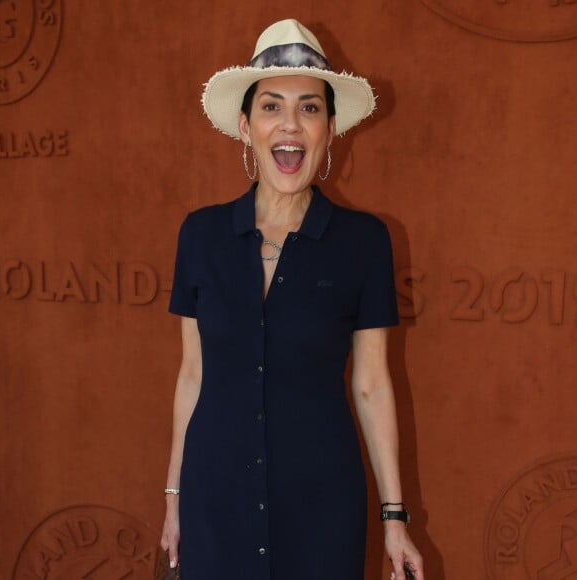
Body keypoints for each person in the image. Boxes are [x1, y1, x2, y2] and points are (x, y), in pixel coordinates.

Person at [160, 18, 424, 580]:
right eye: (271, 106)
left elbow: (372, 385)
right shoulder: (200, 235)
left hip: (322, 507)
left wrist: (394, 518)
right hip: (215, 502)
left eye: (309, 108)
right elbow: (192, 374)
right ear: (245, 126)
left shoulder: (364, 242)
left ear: (330, 128)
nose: (290, 124)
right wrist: (172, 498)